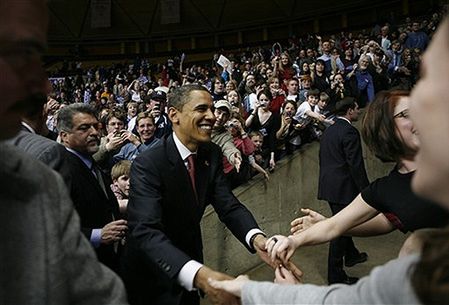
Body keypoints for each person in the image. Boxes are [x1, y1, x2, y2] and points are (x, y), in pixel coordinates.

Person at [207, 16, 449, 305]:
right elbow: (377, 221)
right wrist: (300, 237)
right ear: (387, 130)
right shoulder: (388, 193)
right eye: (407, 114)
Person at [121, 84, 301, 305]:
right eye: (201, 109)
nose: (212, 116)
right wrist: (201, 276)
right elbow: (145, 231)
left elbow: (228, 205)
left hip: (192, 268)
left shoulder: (211, 153)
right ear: (174, 115)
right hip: (152, 278)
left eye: (213, 109)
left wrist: (257, 239)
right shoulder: (147, 164)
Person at [0, 0, 127, 303]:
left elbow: (97, 289)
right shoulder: (47, 158)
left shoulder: (33, 177)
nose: (43, 85)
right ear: (65, 135)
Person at [58, 103, 127, 274]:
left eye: (96, 126)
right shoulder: (61, 170)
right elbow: (54, 228)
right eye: (84, 128)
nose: (95, 132)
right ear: (64, 136)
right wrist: (96, 236)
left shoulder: (92, 164)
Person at [317, 97, 369, 284]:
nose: (358, 112)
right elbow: (355, 164)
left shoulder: (329, 131)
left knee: (343, 223)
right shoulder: (349, 131)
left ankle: (352, 255)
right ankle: (336, 277)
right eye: (356, 109)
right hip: (343, 188)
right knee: (339, 230)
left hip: (330, 186)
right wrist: (366, 190)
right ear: (349, 111)